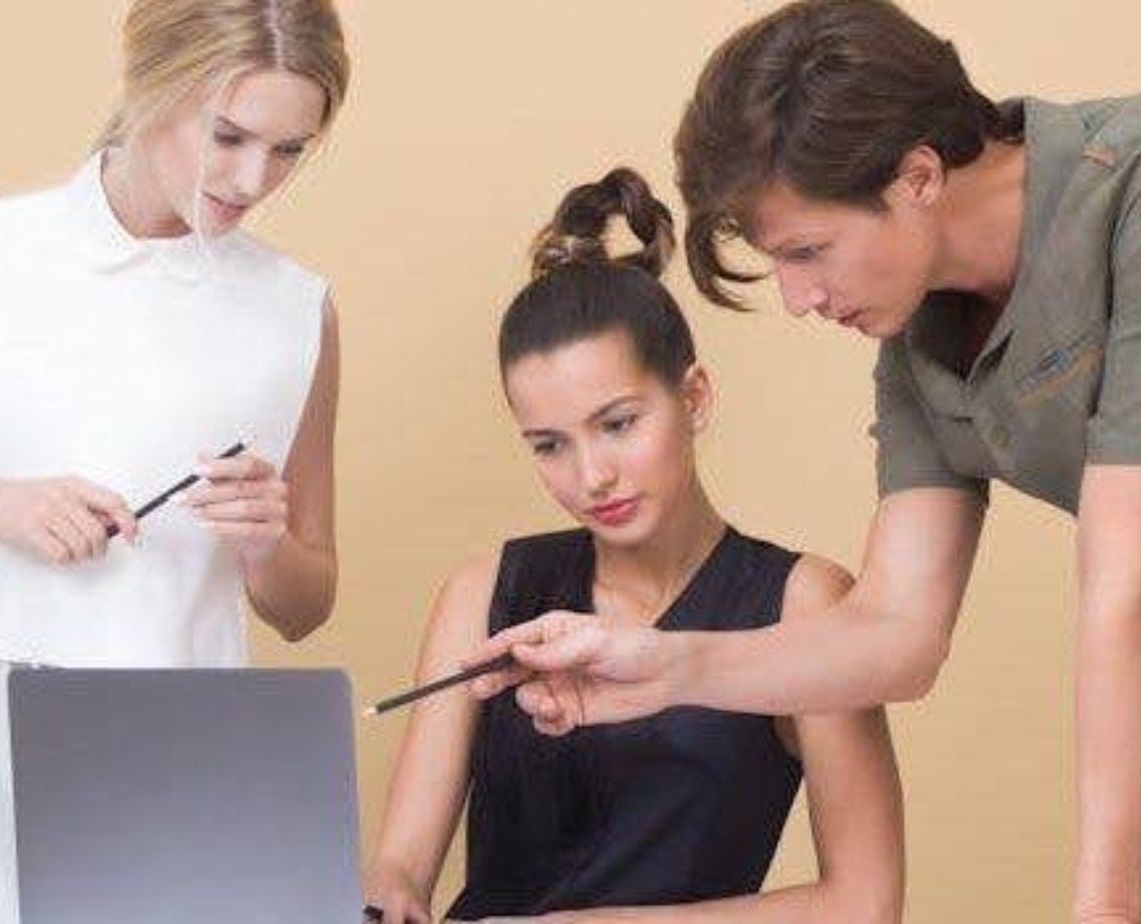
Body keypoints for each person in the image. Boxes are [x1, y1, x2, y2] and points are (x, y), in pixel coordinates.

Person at [472, 2, 1141, 921]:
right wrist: (660, 668)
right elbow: (897, 635)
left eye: (805, 252)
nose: (797, 299)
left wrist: (1102, 906)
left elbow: (1128, 564)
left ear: (918, 175)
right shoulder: (916, 340)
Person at [0, 2, 349, 919]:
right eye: (229, 135)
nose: (254, 178)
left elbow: (307, 603)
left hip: (187, 742)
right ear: (150, 84)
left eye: (290, 150)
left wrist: (265, 543)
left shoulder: (297, 313)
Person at [364, 168, 904, 924]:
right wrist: (387, 896)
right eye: (549, 445)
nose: (592, 476)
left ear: (694, 398)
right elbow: (398, 866)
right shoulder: (485, 592)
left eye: (618, 423)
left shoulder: (805, 604)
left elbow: (864, 905)